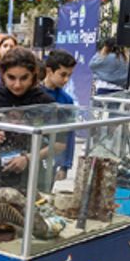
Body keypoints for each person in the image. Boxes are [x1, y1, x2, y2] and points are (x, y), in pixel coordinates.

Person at [0, 47, 57, 191]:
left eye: (24, 78)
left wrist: (28, 158)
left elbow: (58, 144)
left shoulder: (46, 102)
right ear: (2, 74)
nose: (17, 85)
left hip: (33, 180)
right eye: (11, 78)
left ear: (34, 75)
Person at [41, 50, 78, 179]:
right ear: (49, 71)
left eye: (69, 75)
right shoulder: (34, 93)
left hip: (52, 158)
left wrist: (65, 165)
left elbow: (69, 133)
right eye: (62, 74)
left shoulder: (66, 100)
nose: (66, 79)